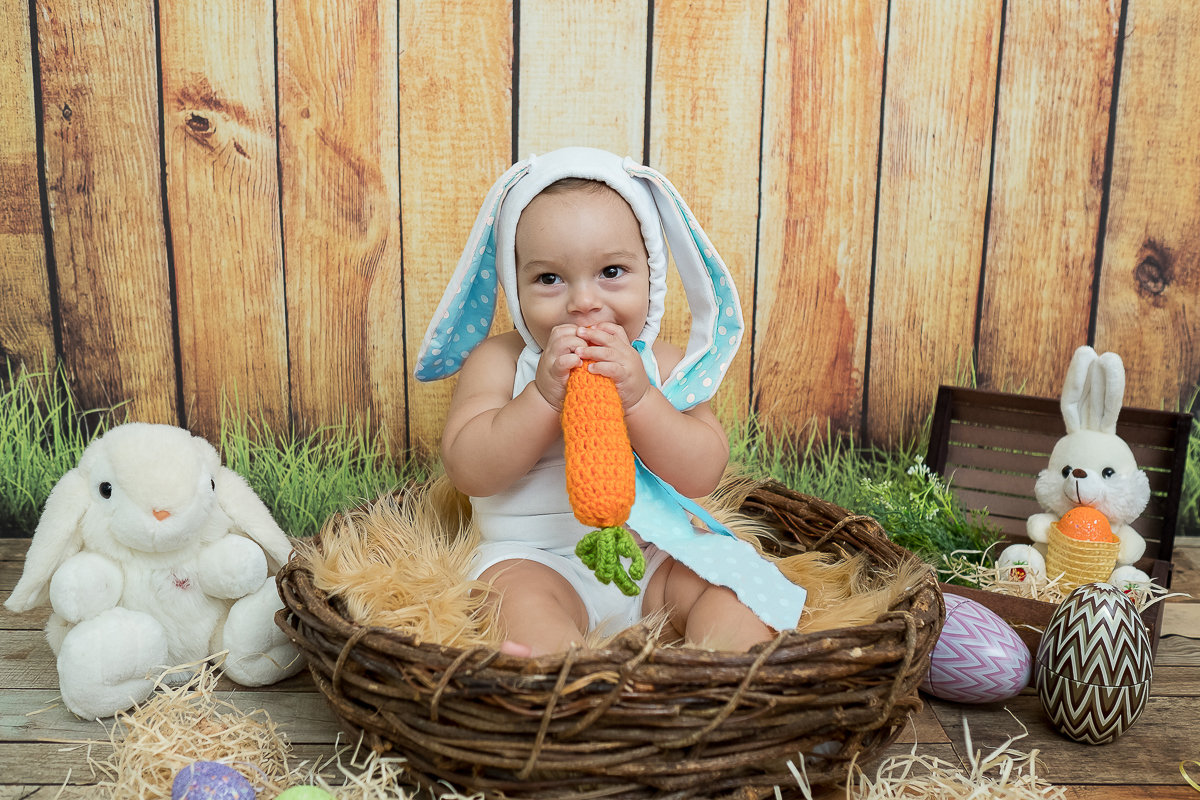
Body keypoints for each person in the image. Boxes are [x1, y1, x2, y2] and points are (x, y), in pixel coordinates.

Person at [414, 147, 806, 657]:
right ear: (513, 284)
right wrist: (542, 397)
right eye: (549, 279)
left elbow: (703, 471)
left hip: (656, 557)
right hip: (537, 560)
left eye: (612, 271)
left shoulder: (662, 363)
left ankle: (732, 672)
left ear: (651, 272)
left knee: (730, 589)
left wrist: (640, 399)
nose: (583, 301)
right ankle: (563, 677)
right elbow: (469, 470)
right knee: (513, 600)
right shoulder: (501, 361)